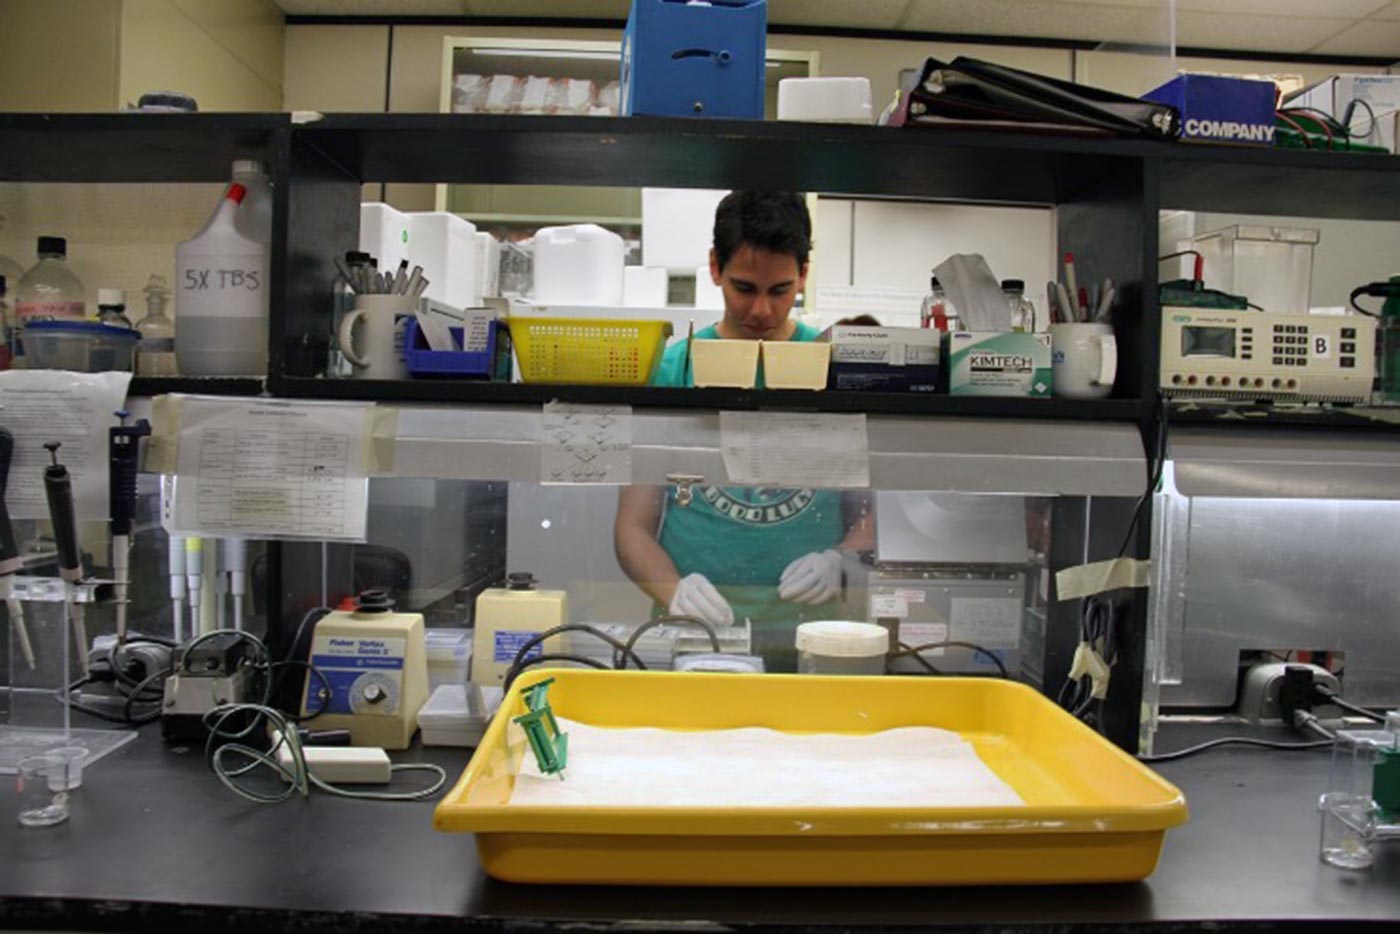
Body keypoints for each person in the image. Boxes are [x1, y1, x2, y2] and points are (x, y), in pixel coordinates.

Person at [614, 190, 872, 671]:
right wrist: (674, 591)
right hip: (696, 638)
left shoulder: (831, 369)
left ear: (803, 276)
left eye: (780, 291)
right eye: (743, 287)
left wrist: (839, 561)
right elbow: (632, 526)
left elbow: (871, 518)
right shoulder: (676, 366)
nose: (760, 311)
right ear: (715, 267)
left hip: (816, 638)